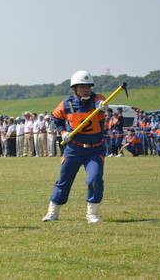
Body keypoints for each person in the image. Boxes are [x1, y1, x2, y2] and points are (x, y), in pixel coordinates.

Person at [42, 70, 107, 223]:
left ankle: (92, 213)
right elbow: (55, 119)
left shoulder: (98, 99)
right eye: (82, 87)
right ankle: (53, 212)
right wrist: (63, 132)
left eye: (88, 87)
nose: (86, 90)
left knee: (95, 179)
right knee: (64, 181)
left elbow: (100, 101)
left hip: (95, 149)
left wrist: (102, 106)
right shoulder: (66, 103)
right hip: (73, 149)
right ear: (74, 89)